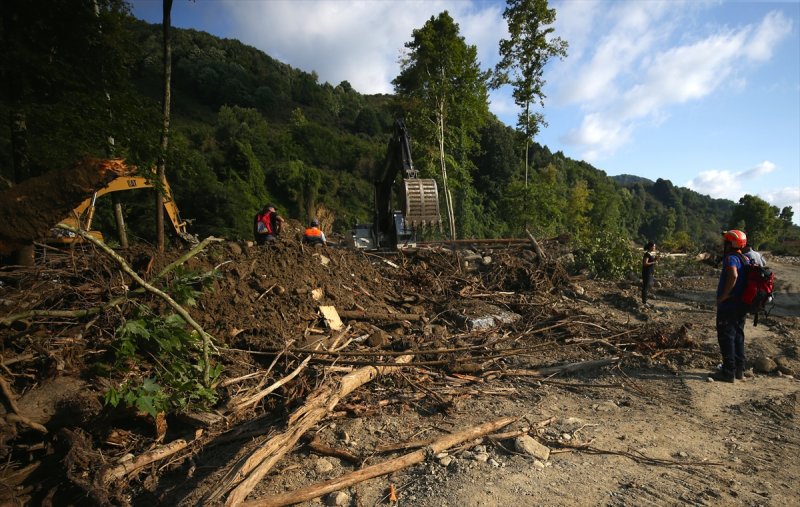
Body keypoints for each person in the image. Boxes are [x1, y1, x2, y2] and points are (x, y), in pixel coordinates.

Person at [713, 229, 749, 383]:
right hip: (741, 304)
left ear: (730, 243)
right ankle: (739, 370)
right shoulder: (745, 258)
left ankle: (728, 372)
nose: (724, 244)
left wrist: (724, 295)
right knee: (738, 336)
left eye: (725, 242)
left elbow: (733, 275)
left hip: (729, 305)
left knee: (726, 337)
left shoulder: (731, 258)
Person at [641, 241, 657, 305]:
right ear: (650, 247)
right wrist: (653, 262)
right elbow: (645, 263)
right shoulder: (647, 254)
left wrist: (655, 260)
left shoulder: (650, 254)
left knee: (648, 285)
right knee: (646, 286)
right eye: (654, 246)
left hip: (649, 272)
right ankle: (644, 301)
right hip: (646, 272)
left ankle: (645, 300)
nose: (654, 247)